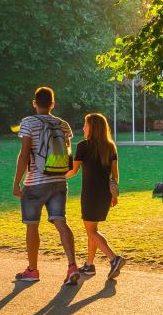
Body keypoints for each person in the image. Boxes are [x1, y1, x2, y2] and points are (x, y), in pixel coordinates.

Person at [13, 86, 80, 285]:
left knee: (32, 226)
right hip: (59, 181)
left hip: (35, 183)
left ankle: (32, 270)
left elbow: (25, 154)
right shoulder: (63, 124)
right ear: (52, 104)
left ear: (34, 103)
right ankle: (72, 267)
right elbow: (67, 152)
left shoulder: (28, 123)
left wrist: (17, 182)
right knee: (61, 222)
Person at [66, 112, 126, 280]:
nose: (83, 127)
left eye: (85, 124)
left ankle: (114, 258)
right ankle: (89, 265)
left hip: (90, 194)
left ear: (92, 127)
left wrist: (56, 175)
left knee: (91, 232)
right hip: (105, 195)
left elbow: (72, 171)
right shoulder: (110, 146)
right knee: (93, 230)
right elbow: (115, 175)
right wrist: (114, 194)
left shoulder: (83, 146)